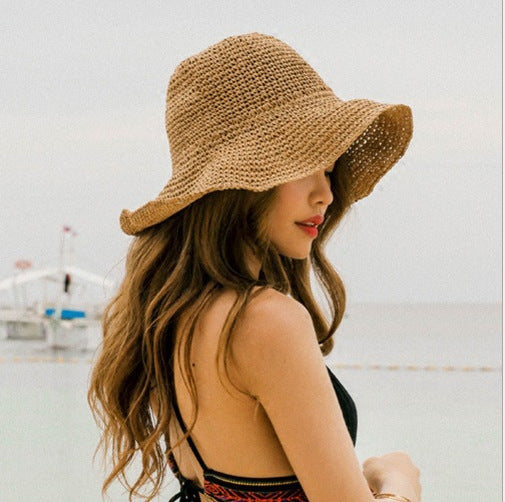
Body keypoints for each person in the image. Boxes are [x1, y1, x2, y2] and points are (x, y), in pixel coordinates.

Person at [88, 32, 421, 502]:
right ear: (243, 181)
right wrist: (399, 481)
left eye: (327, 167)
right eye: (302, 162)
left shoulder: (172, 316)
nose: (325, 193)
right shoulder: (266, 321)